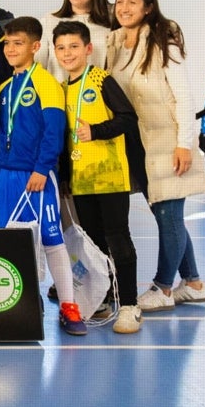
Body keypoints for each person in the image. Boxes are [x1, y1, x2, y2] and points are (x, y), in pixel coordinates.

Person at [106, 0, 205, 312]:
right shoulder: (116, 43)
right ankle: (192, 283)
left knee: (169, 214)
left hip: (166, 141)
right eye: (120, 1)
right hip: (136, 144)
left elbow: (184, 96)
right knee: (165, 212)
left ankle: (163, 288)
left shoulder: (164, 40)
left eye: (132, 2)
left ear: (148, 7)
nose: (124, 7)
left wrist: (185, 144)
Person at [0, 17, 86, 336]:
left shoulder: (45, 83)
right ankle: (21, 304)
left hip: (37, 177)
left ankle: (70, 306)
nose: (10, 49)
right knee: (12, 242)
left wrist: (41, 168)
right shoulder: (4, 88)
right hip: (7, 177)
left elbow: (53, 131)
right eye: (7, 43)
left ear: (35, 46)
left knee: (51, 238)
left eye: (18, 43)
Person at [52, 20, 146, 334]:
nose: (67, 53)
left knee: (117, 238)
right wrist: (65, 175)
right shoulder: (63, 88)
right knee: (93, 244)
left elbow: (128, 118)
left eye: (74, 47)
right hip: (81, 180)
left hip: (110, 177)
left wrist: (96, 131)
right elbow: (66, 139)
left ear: (88, 49)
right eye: (62, 48)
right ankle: (105, 296)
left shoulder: (101, 79)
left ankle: (130, 305)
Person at [35, 0, 114, 82]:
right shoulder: (49, 21)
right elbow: (37, 68)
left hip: (96, 97)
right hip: (57, 97)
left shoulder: (112, 22)